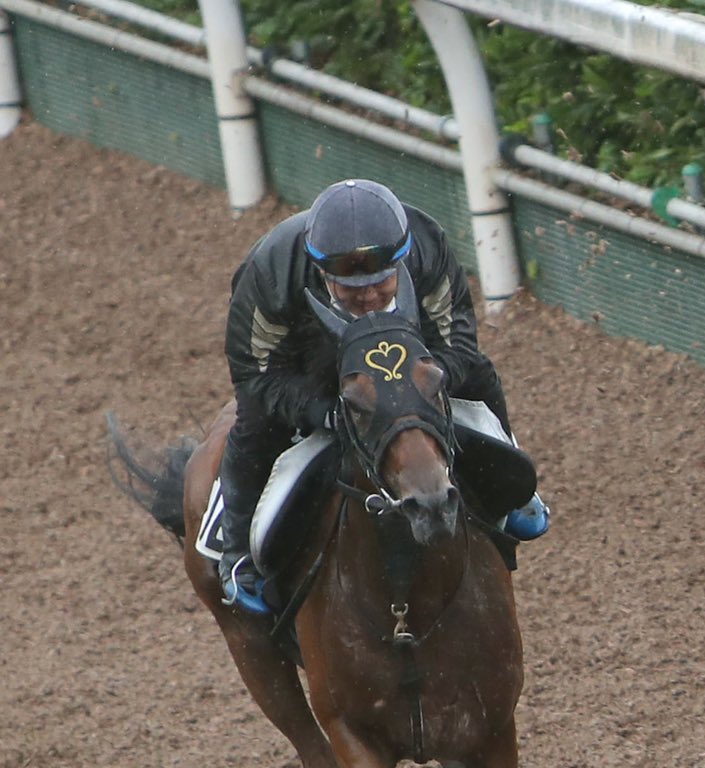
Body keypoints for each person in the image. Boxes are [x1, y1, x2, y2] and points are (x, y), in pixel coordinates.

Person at [216, 178, 549, 616]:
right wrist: (322, 412)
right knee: (255, 426)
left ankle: (515, 491)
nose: (370, 295)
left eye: (382, 282)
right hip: (308, 362)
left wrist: (425, 386)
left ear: (401, 261)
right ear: (322, 272)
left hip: (412, 355)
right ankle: (238, 553)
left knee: (481, 377)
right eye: (352, 289)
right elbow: (256, 375)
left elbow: (459, 343)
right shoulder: (271, 274)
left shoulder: (427, 247)